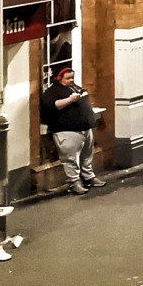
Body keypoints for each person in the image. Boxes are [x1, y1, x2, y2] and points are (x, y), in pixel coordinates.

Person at [41, 67, 99, 195]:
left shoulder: (75, 87)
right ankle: (74, 182)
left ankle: (88, 177)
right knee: (70, 158)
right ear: (59, 78)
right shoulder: (52, 92)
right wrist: (70, 100)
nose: (71, 80)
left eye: (72, 77)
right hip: (67, 130)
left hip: (84, 128)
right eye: (68, 78)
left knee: (87, 155)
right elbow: (52, 106)